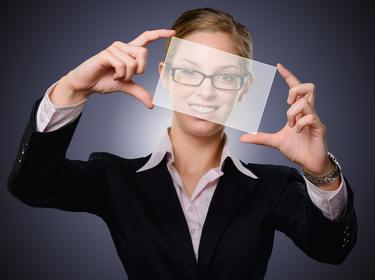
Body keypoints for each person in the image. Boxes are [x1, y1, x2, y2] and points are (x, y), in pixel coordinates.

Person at [8, 7, 357, 280]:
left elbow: (330, 250)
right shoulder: (113, 178)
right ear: (165, 76)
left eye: (224, 76)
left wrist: (320, 171)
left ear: (244, 87)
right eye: (188, 71)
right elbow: (32, 185)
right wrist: (73, 88)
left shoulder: (275, 185)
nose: (205, 90)